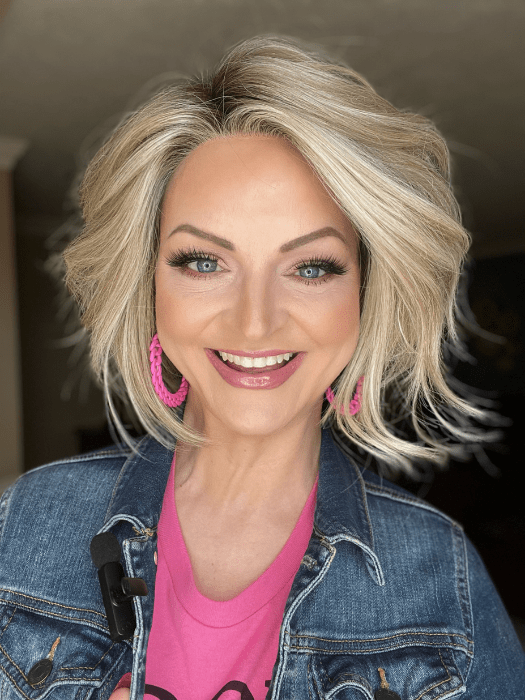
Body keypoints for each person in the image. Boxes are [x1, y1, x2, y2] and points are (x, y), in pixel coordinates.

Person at [0, 35, 523, 700]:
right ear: (150, 287)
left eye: (311, 268)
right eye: (204, 262)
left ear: (364, 296)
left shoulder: (440, 578)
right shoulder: (25, 524)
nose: (254, 322)